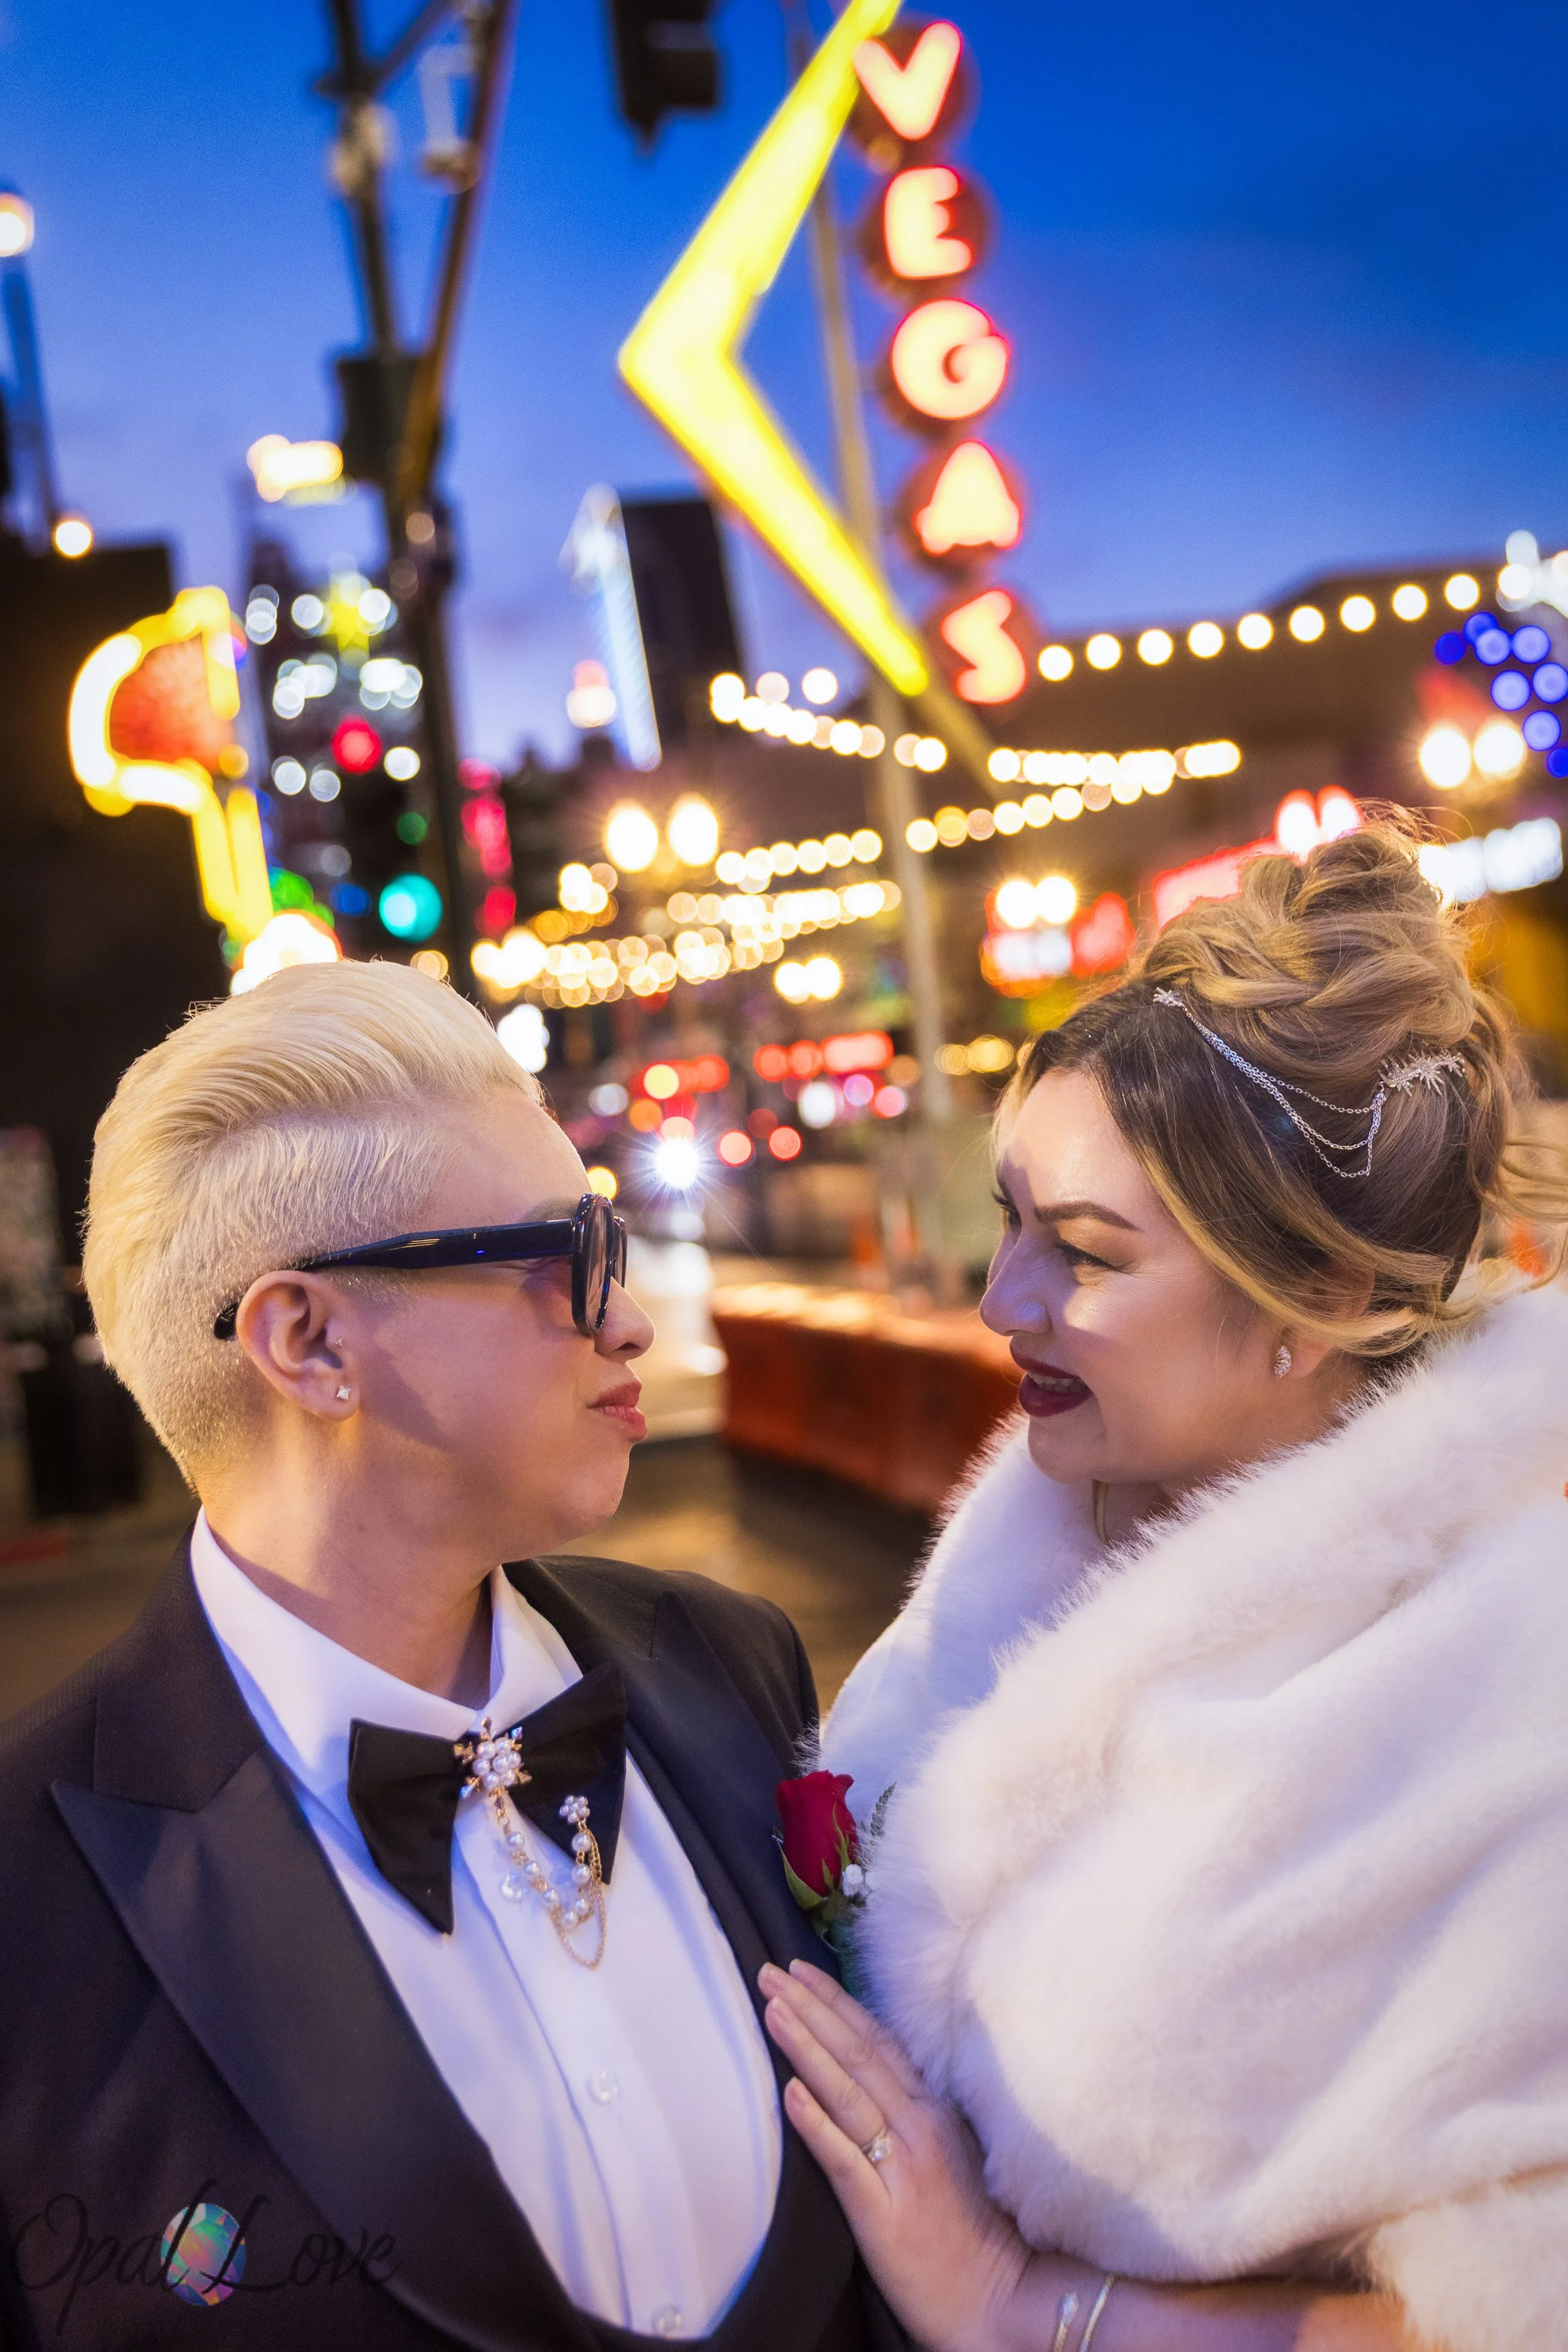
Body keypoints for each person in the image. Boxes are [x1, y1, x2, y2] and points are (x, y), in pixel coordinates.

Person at [0, 960, 899, 2352]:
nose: (631, 1317)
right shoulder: (28, 1888)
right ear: (306, 1341)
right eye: (565, 1258)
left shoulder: (726, 1667)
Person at [763, 818, 1568, 2352]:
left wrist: (1019, 2306)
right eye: (1007, 1220)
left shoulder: (1518, 1695)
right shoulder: (1005, 1585)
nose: (1002, 1301)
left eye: (1083, 1251)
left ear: (1315, 1298)